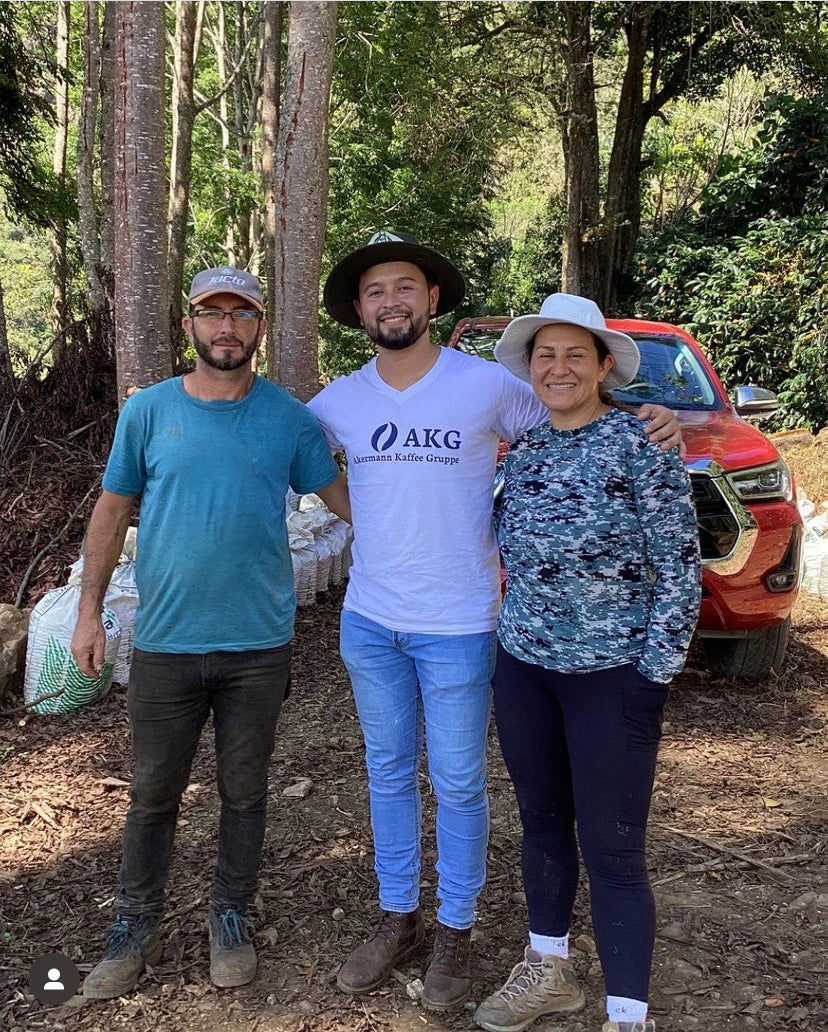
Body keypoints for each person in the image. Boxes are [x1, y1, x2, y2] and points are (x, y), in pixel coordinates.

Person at [307, 233, 683, 1012]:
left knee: (458, 781)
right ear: (358, 309)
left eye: (405, 286)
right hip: (375, 621)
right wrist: (364, 519)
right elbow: (288, 453)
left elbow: (575, 411)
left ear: (432, 299)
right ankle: (398, 915)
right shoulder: (336, 401)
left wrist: (655, 418)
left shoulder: (486, 387)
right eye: (375, 291)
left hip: (464, 624)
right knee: (385, 772)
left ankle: (456, 930)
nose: (391, 302)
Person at [70, 267, 350, 999]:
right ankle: (132, 926)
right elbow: (111, 509)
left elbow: (346, 499)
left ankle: (231, 916)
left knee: (244, 793)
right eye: (211, 314)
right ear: (189, 323)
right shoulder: (150, 412)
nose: (226, 328)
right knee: (152, 795)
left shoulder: (289, 418)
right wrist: (87, 609)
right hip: (165, 643)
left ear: (260, 327)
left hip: (258, 646)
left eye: (242, 315)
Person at [472, 293, 701, 1032]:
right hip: (526, 672)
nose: (559, 368)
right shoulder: (526, 452)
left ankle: (628, 1016)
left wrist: (652, 676)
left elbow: (680, 568)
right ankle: (550, 971)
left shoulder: (645, 446)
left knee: (613, 846)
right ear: (530, 370)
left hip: (613, 680)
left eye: (577, 355)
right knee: (541, 825)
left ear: (605, 367)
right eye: (546, 356)